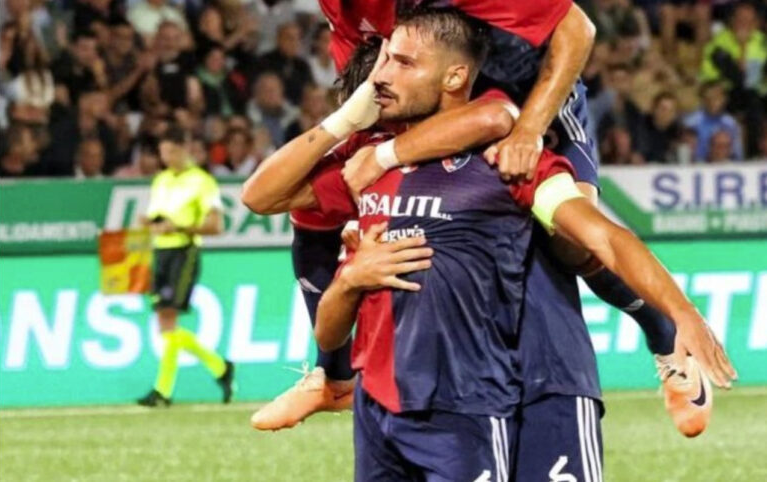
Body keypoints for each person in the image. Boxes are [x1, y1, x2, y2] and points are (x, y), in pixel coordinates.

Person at [243, 10, 735, 479]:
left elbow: (597, 225)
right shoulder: (368, 163)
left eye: (401, 62)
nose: (381, 76)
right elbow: (264, 195)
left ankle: (661, 333)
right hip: (397, 405)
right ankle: (332, 378)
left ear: (454, 77)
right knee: (307, 217)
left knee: (569, 244)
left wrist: (681, 311)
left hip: (520, 385)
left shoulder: (503, 160)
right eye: (386, 59)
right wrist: (350, 275)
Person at [136, 124, 235, 407]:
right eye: (162, 152)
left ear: (184, 148)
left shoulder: (202, 181)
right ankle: (220, 367)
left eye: (171, 151)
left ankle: (163, 391)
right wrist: (149, 223)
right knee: (166, 325)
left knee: (168, 319)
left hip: (184, 251)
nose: (166, 158)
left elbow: (216, 225)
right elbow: (157, 217)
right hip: (161, 253)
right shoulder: (161, 180)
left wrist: (179, 227)